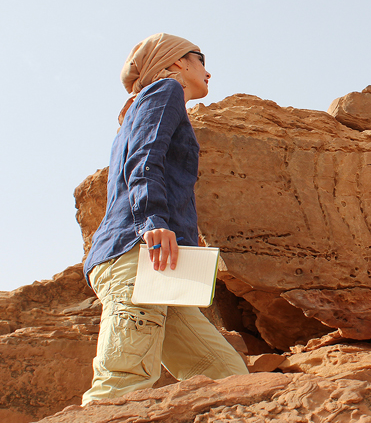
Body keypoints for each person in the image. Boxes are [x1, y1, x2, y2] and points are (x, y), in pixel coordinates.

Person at [81, 33, 248, 404]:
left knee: (229, 379)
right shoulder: (165, 91)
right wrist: (153, 220)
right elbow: (144, 158)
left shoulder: (149, 103)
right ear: (177, 63)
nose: (208, 70)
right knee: (120, 384)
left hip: (160, 266)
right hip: (136, 255)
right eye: (201, 59)